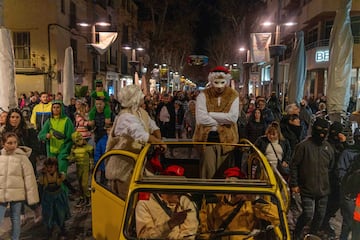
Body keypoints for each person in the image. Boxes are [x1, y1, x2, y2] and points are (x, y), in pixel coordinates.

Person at [105, 85, 164, 198]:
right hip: (122, 169)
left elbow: (154, 127)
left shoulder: (142, 113)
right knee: (126, 201)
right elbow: (141, 135)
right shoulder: (125, 117)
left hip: (137, 166)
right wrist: (159, 143)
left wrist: (158, 140)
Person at [290, 117, 334, 239]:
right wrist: (294, 184)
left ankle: (312, 235)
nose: (322, 133)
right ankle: (297, 233)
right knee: (308, 214)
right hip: (307, 187)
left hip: (323, 189)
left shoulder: (328, 148)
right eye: (319, 129)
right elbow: (294, 165)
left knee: (320, 215)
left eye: (325, 130)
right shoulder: (303, 146)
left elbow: (330, 166)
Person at [207, 167, 280, 239]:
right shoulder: (214, 204)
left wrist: (255, 200)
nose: (233, 191)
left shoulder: (252, 205)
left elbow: (277, 217)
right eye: (229, 184)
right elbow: (205, 230)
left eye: (236, 185)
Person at [193, 66, 239, 179]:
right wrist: (221, 121)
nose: (219, 87)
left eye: (222, 82)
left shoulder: (233, 95)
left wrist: (211, 114)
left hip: (227, 142)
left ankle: (220, 196)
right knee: (207, 173)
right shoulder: (203, 95)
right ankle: (207, 195)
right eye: (216, 82)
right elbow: (201, 118)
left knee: (224, 174)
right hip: (206, 140)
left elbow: (232, 118)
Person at [135, 165, 199, 239]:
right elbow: (144, 237)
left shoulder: (185, 200)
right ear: (166, 188)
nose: (181, 192)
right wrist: (169, 225)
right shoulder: (145, 204)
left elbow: (190, 233)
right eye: (177, 188)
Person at [0, 132, 39, 240]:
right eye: (9, 143)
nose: (12, 145)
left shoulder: (22, 158)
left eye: (15, 142)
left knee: (15, 218)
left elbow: (29, 178)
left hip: (17, 194)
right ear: (3, 144)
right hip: (2, 193)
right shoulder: (0, 157)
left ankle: (15, 238)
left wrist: (32, 198)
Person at [320, 121, 348, 237]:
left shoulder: (338, 144)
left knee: (334, 203)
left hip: (336, 180)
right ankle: (322, 223)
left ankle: (324, 222)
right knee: (328, 203)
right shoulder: (327, 144)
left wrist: (344, 143)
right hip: (328, 178)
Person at [38, 101, 74, 176]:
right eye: (54, 107)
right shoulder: (49, 121)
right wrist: (45, 136)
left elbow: (71, 137)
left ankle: (63, 187)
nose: (56, 109)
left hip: (63, 151)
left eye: (58, 107)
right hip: (51, 151)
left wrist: (66, 150)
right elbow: (40, 135)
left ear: (61, 108)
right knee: (51, 173)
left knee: (62, 172)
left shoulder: (67, 121)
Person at [38, 157, 71, 239]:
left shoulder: (60, 175)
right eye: (47, 167)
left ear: (56, 166)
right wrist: (39, 199)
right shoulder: (43, 177)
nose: (49, 169)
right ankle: (49, 231)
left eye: (51, 167)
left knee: (60, 213)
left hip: (59, 196)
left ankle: (62, 229)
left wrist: (74, 191)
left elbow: (67, 183)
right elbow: (40, 188)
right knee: (48, 214)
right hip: (48, 197)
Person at [67, 131, 93, 207]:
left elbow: (91, 156)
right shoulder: (73, 148)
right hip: (79, 166)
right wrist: (69, 159)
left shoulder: (87, 147)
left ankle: (88, 198)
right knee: (80, 184)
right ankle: (82, 198)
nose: (79, 142)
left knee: (84, 184)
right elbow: (72, 157)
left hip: (85, 166)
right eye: (77, 140)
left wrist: (92, 165)